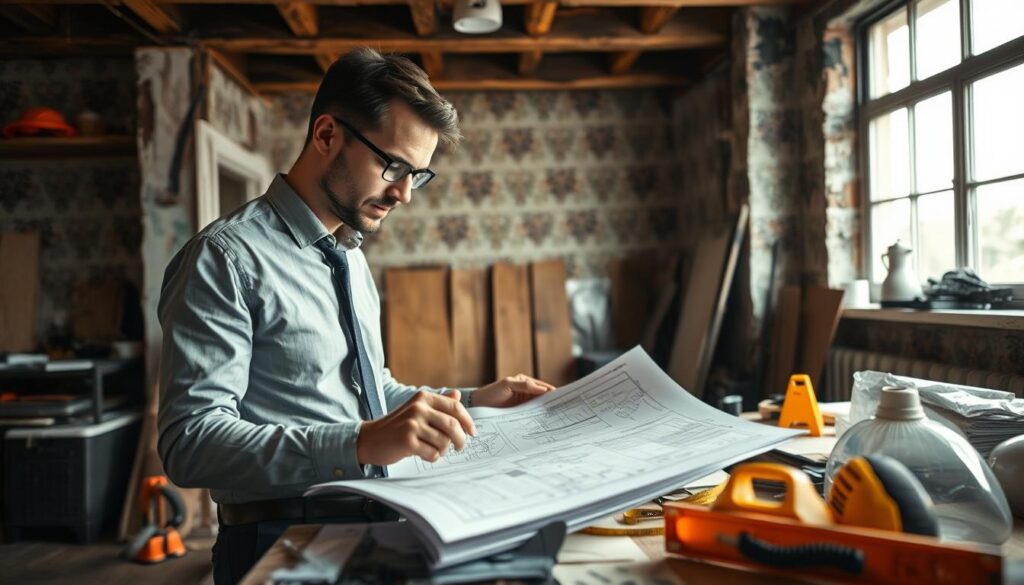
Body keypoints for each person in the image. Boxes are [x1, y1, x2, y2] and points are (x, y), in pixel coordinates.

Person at [157, 48, 556, 585]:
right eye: (394, 166)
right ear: (327, 135)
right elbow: (190, 442)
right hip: (276, 542)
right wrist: (358, 444)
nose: (405, 194)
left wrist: (471, 402)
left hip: (374, 528)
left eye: (418, 175)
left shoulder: (349, 256)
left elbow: (370, 392)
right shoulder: (225, 259)